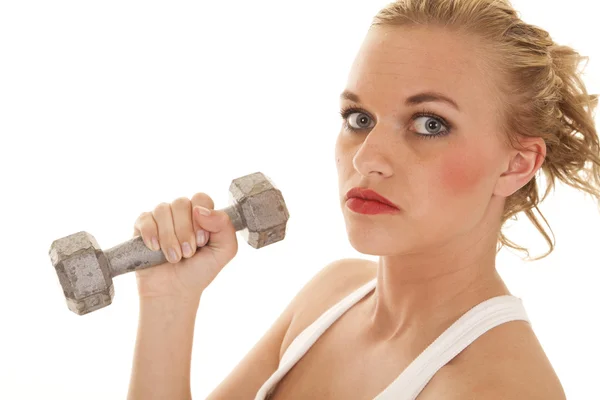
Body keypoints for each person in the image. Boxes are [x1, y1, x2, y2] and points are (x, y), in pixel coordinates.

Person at [126, 0, 598, 399]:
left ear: (516, 164)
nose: (368, 158)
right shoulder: (332, 294)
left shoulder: (495, 388)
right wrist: (170, 302)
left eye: (429, 123)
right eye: (359, 118)